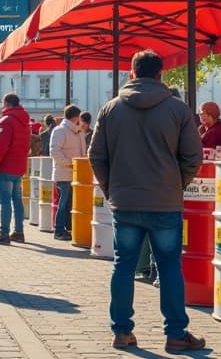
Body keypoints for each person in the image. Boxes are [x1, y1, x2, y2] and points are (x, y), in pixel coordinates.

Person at [89, 50, 205, 353]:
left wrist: (111, 187)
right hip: (165, 201)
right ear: (160, 75)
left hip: (124, 201)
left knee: (123, 266)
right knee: (169, 266)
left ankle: (122, 332)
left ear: (131, 74)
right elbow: (193, 157)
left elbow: (96, 156)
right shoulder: (178, 110)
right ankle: (176, 334)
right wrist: (176, 184)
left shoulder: (110, 109)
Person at [0, 93, 31, 245]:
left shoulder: (7, 120)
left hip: (6, 166)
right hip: (19, 165)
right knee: (17, 200)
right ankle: (19, 231)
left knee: (5, 201)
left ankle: (4, 233)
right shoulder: (25, 121)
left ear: (6, 103)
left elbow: (1, 146)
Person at [49, 105, 87, 241]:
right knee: (63, 202)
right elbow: (54, 151)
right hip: (65, 173)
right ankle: (59, 230)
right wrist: (70, 163)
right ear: (76, 117)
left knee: (70, 203)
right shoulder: (61, 131)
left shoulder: (77, 131)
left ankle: (67, 228)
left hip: (75, 173)